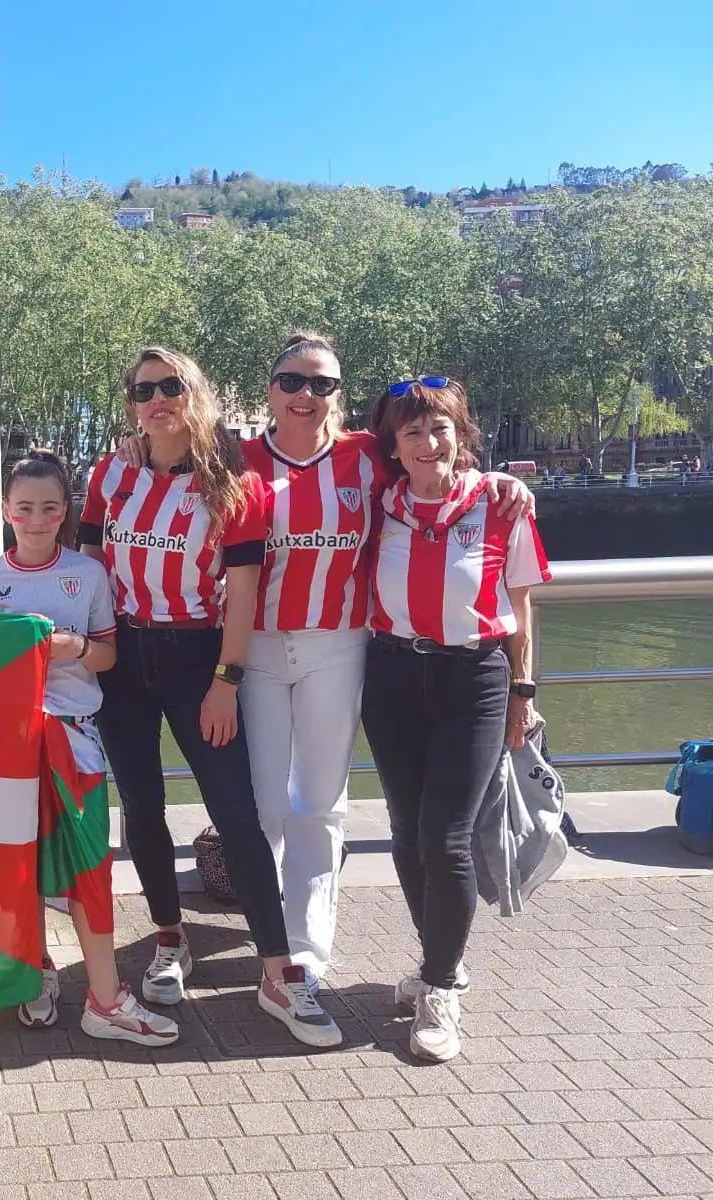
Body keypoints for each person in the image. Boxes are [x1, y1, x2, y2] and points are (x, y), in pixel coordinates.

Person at [232, 333, 532, 986]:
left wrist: (500, 480)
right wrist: (137, 442)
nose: (306, 395)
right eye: (292, 381)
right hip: (254, 647)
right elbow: (163, 461)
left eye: (323, 384)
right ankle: (268, 938)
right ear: (270, 390)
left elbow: (444, 470)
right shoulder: (234, 457)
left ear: (339, 395)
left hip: (337, 645)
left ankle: (307, 952)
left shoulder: (368, 458)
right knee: (261, 809)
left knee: (318, 804)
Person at [80, 344, 341, 1048]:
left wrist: (226, 681)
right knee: (141, 805)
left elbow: (245, 595)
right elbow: (85, 568)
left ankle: (278, 971)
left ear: (196, 394)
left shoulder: (234, 482)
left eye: (171, 387)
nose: (157, 400)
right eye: (143, 391)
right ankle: (169, 938)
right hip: (123, 659)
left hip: (199, 656)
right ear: (130, 403)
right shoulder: (111, 474)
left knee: (238, 814)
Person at [362, 376, 549, 1063]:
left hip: (474, 678)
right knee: (407, 831)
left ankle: (442, 987)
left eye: (439, 428)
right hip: (389, 674)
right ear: (395, 445)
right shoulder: (379, 506)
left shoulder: (500, 506)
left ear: (461, 434)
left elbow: (521, 608)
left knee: (447, 837)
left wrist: (522, 694)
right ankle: (438, 958)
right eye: (412, 431)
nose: (427, 442)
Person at [0, 452, 178, 1046]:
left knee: (90, 865)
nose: (37, 519)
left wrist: (74, 647)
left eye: (50, 508)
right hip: (12, 741)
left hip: (75, 735)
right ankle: (36, 973)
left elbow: (109, 657)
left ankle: (105, 997)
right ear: (8, 510)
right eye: (25, 507)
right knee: (21, 862)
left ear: (66, 512)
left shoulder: (88, 576)